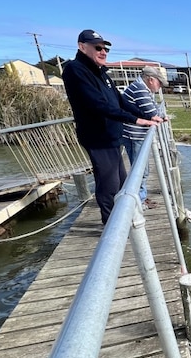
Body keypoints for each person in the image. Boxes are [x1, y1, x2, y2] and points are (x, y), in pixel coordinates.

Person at [63, 29, 162, 225]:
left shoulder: (103, 74)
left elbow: (120, 101)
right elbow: (97, 104)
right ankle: (111, 227)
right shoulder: (75, 70)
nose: (103, 52)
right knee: (109, 185)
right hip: (98, 138)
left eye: (105, 48)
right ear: (82, 47)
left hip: (112, 136)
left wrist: (147, 115)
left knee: (122, 182)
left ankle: (121, 220)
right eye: (97, 47)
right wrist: (134, 120)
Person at [122, 66, 167, 209]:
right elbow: (153, 112)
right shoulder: (140, 89)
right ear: (151, 79)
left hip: (136, 134)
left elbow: (155, 111)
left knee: (142, 169)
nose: (160, 86)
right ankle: (139, 202)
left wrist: (159, 116)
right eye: (159, 83)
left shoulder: (143, 88)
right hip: (133, 135)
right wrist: (158, 117)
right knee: (140, 170)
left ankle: (141, 197)